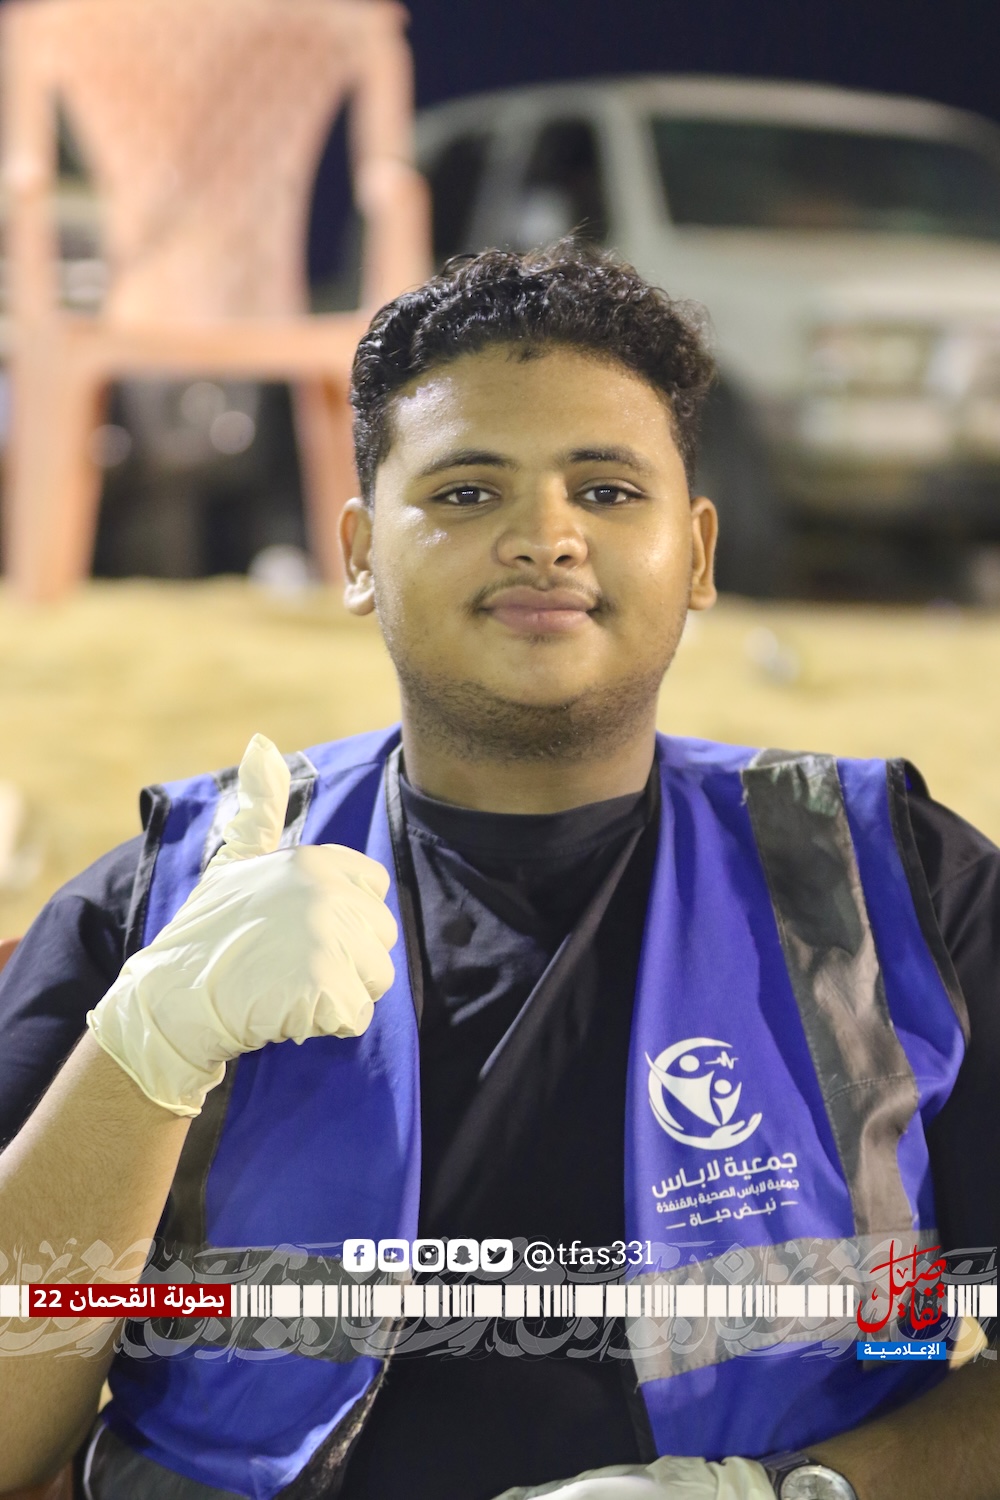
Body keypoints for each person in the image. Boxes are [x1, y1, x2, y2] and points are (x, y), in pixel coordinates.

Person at [0, 243, 997, 1500]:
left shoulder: (898, 890)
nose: (544, 538)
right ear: (359, 553)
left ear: (696, 554)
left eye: (607, 490)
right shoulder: (166, 901)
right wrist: (145, 1050)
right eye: (467, 492)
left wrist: (806, 1490)